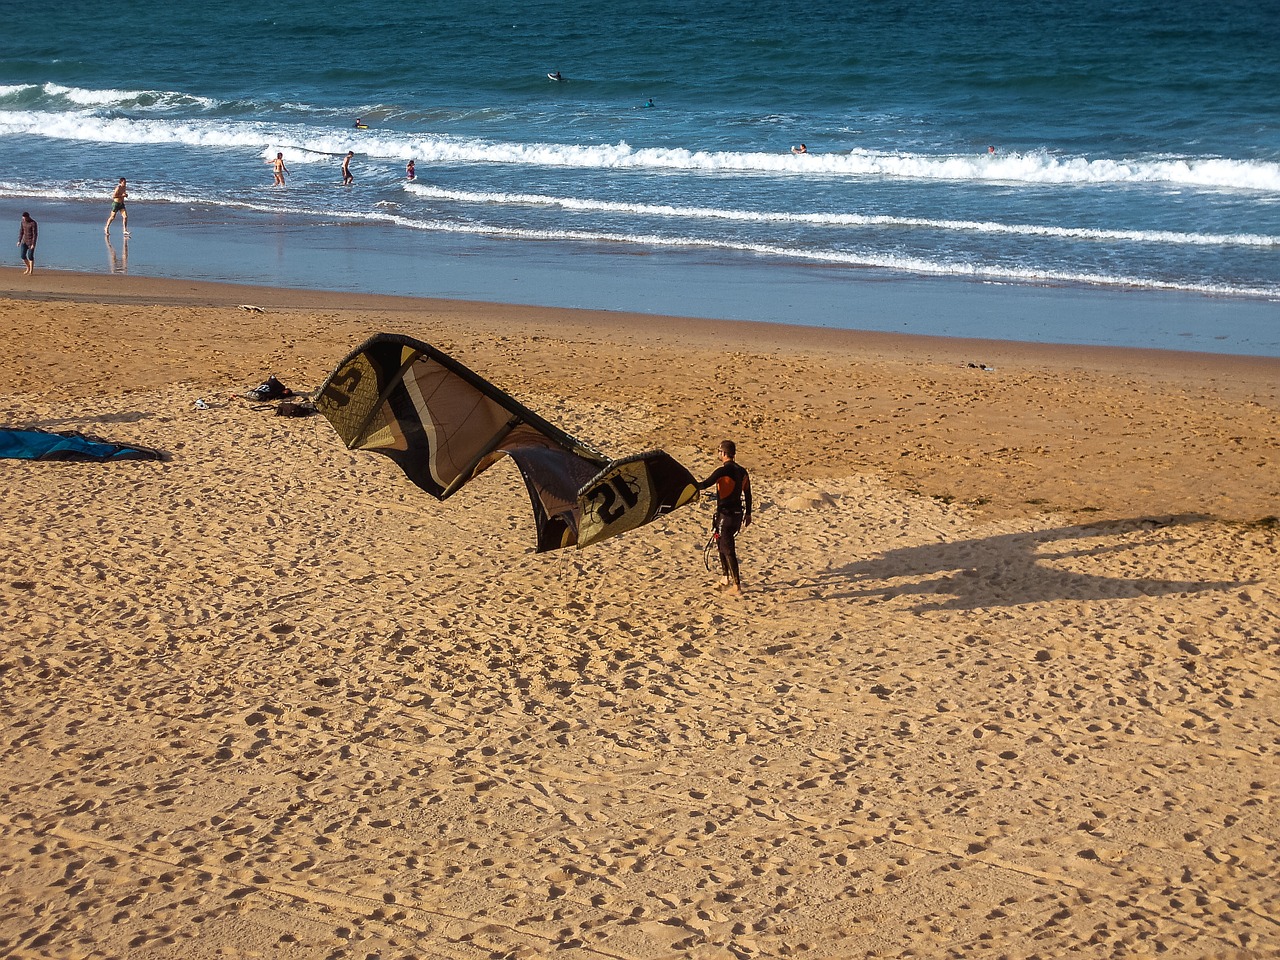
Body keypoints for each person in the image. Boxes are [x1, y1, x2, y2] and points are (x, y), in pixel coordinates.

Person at [696, 439, 752, 594]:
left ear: (723, 453)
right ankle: (725, 577)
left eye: (719, 452)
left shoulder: (722, 471)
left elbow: (704, 484)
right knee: (720, 543)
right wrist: (748, 513)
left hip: (726, 516)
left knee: (728, 549)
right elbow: (747, 493)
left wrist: (689, 485)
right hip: (737, 515)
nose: (718, 454)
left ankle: (737, 586)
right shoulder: (742, 471)